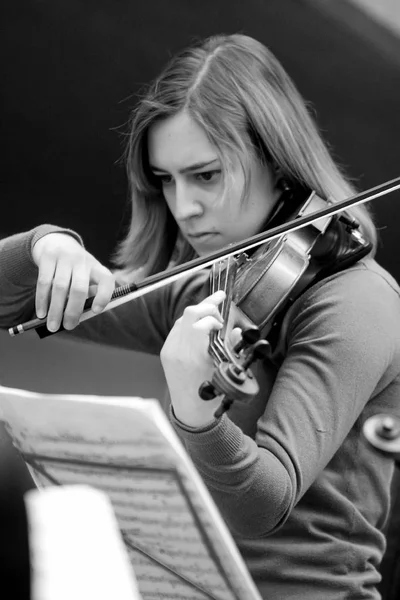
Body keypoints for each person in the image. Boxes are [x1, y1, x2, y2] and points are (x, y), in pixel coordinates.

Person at [1, 33, 400, 600]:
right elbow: (8, 304)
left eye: (205, 174)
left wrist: (197, 412)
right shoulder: (211, 287)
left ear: (276, 160)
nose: (183, 206)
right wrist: (44, 248)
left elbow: (264, 504)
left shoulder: (358, 302)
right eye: (166, 179)